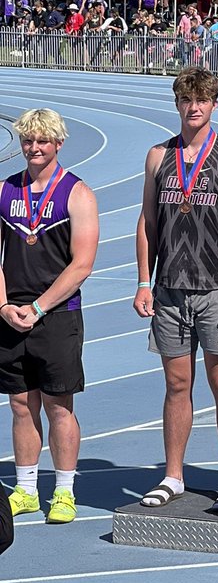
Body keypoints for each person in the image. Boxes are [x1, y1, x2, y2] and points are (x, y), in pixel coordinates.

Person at [134, 68, 218, 513]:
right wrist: (144, 280)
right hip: (169, 290)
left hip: (217, 289)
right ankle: (173, 476)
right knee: (176, 384)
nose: (194, 107)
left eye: (202, 99)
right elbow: (147, 222)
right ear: (177, 104)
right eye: (187, 99)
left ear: (214, 105)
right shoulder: (157, 156)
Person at [0, 108, 99, 523]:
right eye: (28, 140)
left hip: (57, 314)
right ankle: (25, 489)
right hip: (10, 315)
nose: (34, 148)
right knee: (21, 404)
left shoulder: (78, 193)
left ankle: (63, 491)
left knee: (59, 406)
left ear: (58, 143)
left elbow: (82, 264)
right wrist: (3, 305)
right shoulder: (5, 190)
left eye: (42, 140)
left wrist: (39, 307)